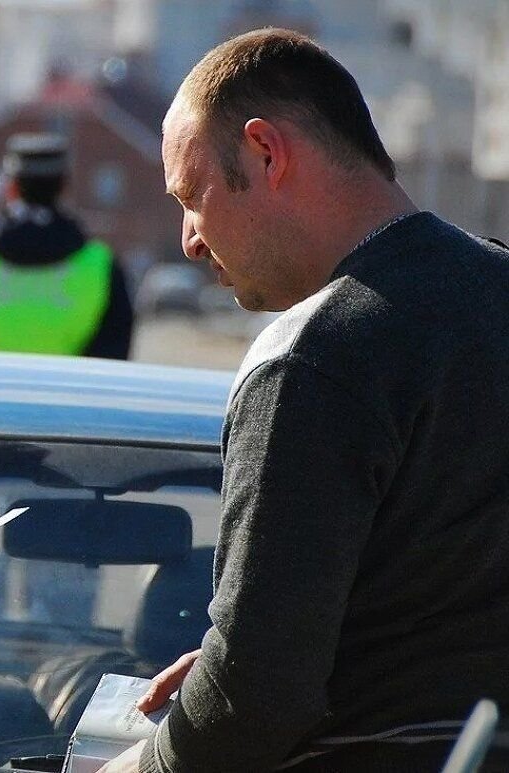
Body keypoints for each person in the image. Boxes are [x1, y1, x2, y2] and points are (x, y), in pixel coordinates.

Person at [101, 28, 509, 773]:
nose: (189, 239)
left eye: (192, 196)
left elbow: (256, 695)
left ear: (266, 151)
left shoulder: (317, 356)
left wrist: (140, 765)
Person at [0, 133, 134, 359]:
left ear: (10, 186)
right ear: (64, 186)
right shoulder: (100, 264)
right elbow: (114, 355)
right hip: (68, 394)